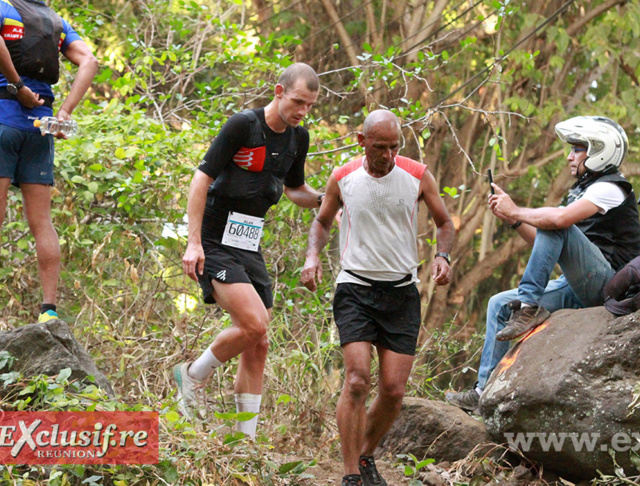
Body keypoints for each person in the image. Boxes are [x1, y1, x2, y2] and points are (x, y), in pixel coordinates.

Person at [445, 116, 640, 413]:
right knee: (499, 304)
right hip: (576, 284)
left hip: (609, 285)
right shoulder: (582, 191)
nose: (569, 156)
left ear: (599, 150)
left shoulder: (613, 187)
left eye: (577, 149)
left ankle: (528, 307)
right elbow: (546, 239)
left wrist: (520, 210)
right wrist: (514, 219)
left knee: (554, 219)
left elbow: (558, 223)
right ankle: (482, 392)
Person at [301, 110, 455, 486]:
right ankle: (351, 474)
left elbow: (445, 223)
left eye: (394, 146)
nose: (387, 154)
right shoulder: (344, 177)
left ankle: (366, 455)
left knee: (393, 390)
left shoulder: (417, 175)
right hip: (355, 288)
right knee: (356, 380)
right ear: (362, 141)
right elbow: (322, 221)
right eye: (380, 146)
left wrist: (442, 255)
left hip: (402, 291)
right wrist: (312, 256)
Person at [174, 63, 323, 439]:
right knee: (254, 323)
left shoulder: (297, 138)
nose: (302, 111)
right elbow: (201, 179)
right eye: (298, 101)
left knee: (259, 341)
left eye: (309, 105)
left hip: (248, 242)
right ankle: (192, 376)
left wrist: (329, 197)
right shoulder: (243, 125)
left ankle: (246, 441)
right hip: (214, 238)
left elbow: (295, 190)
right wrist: (194, 243)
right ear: (278, 91)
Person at [0, 0, 98, 335]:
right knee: (42, 222)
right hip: (41, 127)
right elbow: (89, 61)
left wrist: (18, 87)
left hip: (0, 120)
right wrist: (65, 111)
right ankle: (49, 311)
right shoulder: (55, 21)